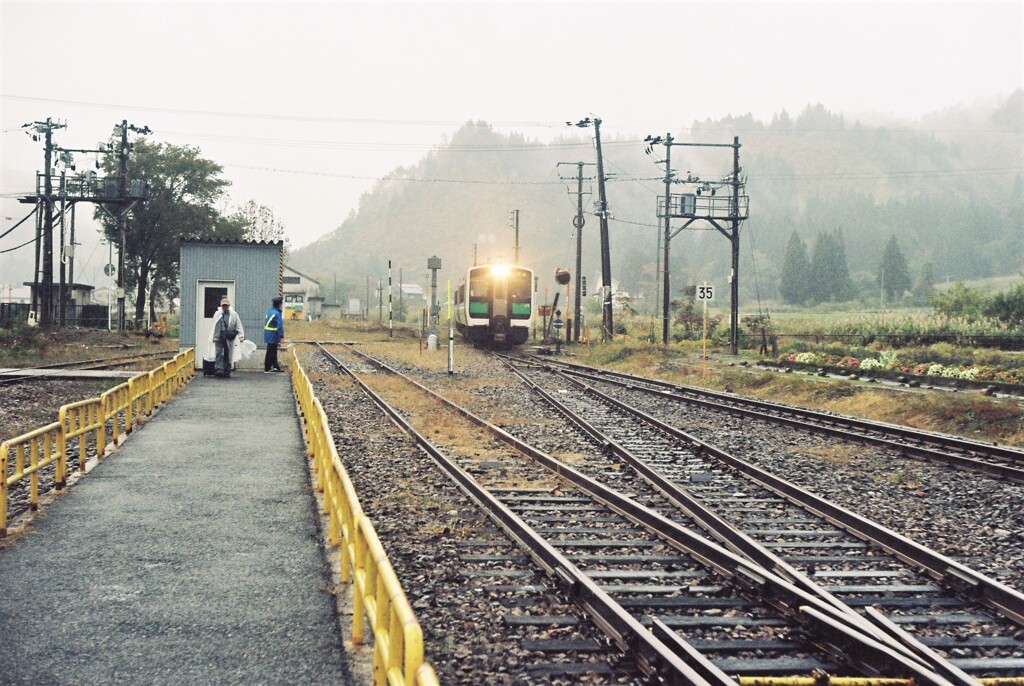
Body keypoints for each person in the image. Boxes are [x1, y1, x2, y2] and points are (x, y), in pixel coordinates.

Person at [209, 297, 244, 378]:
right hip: (219, 336)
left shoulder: (234, 314)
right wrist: (214, 336)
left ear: (229, 306)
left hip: (228, 336)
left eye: (226, 305)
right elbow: (214, 325)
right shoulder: (217, 314)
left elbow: (238, 325)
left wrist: (241, 336)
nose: (225, 307)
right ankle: (219, 369)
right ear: (221, 306)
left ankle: (227, 370)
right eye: (223, 305)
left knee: (228, 353)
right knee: (218, 353)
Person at [263, 296, 285, 373]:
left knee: (272, 350)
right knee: (271, 351)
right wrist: (281, 336)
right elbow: (279, 326)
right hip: (273, 334)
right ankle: (267, 367)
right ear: (279, 304)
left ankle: (275, 366)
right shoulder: (277, 313)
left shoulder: (270, 311)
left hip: (268, 333)